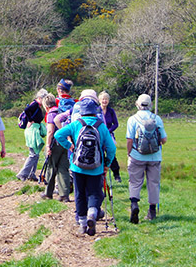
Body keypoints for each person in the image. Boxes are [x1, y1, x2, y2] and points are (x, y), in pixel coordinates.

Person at [54, 97, 116, 236]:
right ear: (95, 112)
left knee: (79, 194)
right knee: (94, 193)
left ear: (81, 112)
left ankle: (82, 224)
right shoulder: (101, 126)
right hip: (96, 167)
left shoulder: (76, 124)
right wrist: (107, 163)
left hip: (78, 167)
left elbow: (58, 134)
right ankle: (92, 215)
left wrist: (70, 146)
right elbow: (111, 147)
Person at [126, 93, 167, 223]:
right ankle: (152, 211)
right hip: (154, 157)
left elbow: (129, 139)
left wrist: (129, 152)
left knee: (135, 181)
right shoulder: (157, 119)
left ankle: (134, 205)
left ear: (137, 104)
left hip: (137, 155)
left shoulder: (132, 119)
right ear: (150, 105)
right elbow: (164, 139)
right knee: (153, 183)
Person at [42, 92, 72, 202]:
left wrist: (48, 146)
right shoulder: (61, 111)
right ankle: (64, 195)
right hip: (64, 143)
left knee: (51, 167)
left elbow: (50, 131)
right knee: (63, 168)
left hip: (55, 144)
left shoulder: (51, 114)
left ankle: (48, 193)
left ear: (46, 106)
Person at [17, 89, 48, 181]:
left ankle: (31, 174)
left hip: (34, 130)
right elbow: (27, 110)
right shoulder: (34, 104)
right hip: (32, 130)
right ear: (39, 98)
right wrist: (30, 120)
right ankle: (22, 174)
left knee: (36, 154)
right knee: (33, 154)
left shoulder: (37, 105)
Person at [99, 91, 122, 182]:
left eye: (106, 99)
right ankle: (100, 175)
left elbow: (116, 124)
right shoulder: (97, 110)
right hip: (99, 135)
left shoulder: (111, 111)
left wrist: (109, 131)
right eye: (103, 99)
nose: (104, 101)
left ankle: (116, 174)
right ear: (99, 100)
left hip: (109, 135)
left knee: (111, 155)